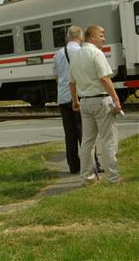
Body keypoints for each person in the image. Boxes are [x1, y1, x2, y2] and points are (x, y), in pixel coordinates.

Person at [70, 25, 122, 184]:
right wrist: (116, 99)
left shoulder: (76, 56)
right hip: (101, 100)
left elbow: (71, 82)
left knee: (87, 141)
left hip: (85, 102)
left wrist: (75, 101)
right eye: (101, 35)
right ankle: (113, 178)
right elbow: (104, 79)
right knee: (108, 139)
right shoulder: (96, 53)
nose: (104, 38)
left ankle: (87, 177)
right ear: (91, 37)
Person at [53, 26, 84, 173]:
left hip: (63, 98)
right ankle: (92, 163)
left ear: (67, 37)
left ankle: (73, 165)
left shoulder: (58, 54)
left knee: (70, 134)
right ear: (81, 37)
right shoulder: (81, 52)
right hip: (78, 97)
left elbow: (57, 77)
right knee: (84, 133)